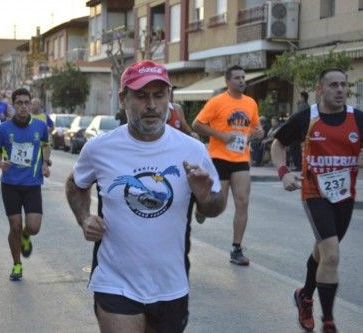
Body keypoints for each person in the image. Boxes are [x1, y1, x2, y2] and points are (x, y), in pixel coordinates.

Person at [65, 60, 225, 332]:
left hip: (171, 284)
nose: (151, 104)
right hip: (115, 280)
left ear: (169, 98)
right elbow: (75, 183)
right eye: (141, 95)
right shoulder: (100, 148)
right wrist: (84, 218)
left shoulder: (192, 150)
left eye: (159, 95)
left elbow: (215, 207)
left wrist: (205, 195)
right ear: (123, 99)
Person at [271, 69, 363, 333]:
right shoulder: (306, 118)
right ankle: (329, 322)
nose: (340, 90)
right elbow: (277, 145)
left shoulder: (357, 119)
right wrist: (283, 173)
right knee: (331, 254)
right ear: (320, 90)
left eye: (343, 85)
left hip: (345, 197)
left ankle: (305, 295)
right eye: (333, 85)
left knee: (322, 251)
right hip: (314, 195)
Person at [192, 65, 264, 266]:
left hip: (241, 159)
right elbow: (197, 124)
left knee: (242, 201)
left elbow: (255, 127)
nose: (242, 81)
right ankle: (201, 209)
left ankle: (236, 248)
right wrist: (222, 135)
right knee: (218, 205)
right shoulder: (217, 102)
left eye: (244, 77)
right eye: (237, 78)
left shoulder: (251, 103)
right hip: (219, 158)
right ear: (228, 82)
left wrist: (258, 133)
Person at [0, 88, 51, 281]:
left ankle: (26, 236)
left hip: (32, 184)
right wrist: (0, 164)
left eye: (26, 103)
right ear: (13, 105)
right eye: (19, 103)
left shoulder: (40, 126)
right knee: (14, 226)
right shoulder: (3, 129)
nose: (23, 106)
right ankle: (16, 264)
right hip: (11, 184)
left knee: (34, 227)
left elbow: (46, 146)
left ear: (31, 104)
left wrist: (45, 164)